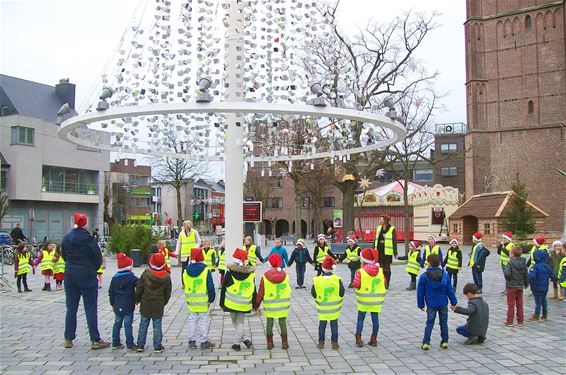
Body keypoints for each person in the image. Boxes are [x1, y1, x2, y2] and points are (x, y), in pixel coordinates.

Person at [61, 213, 110, 349]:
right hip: (87, 274)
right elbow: (97, 257)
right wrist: (92, 269)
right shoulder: (88, 239)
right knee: (90, 308)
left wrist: (71, 265)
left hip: (70, 274)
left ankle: (68, 338)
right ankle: (95, 339)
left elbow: (64, 255)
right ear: (85, 223)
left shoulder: (67, 238)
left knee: (71, 308)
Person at [417, 253, 458, 351]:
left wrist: (421, 304)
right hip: (443, 303)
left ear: (428, 263)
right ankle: (444, 341)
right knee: (444, 323)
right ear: (439, 263)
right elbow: (450, 290)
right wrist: (453, 302)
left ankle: (426, 342)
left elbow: (420, 292)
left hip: (431, 304)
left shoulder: (424, 277)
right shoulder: (445, 275)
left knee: (429, 323)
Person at [219, 248, 257, 351]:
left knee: (235, 322)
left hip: (231, 302)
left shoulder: (230, 272)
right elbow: (254, 289)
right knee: (239, 322)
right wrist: (255, 304)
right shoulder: (250, 273)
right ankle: (245, 339)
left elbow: (223, 289)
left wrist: (221, 303)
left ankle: (236, 343)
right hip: (244, 302)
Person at [135, 253, 172, 353]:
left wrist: (137, 299)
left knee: (143, 324)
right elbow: (168, 292)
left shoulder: (146, 274)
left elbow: (139, 288)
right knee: (157, 326)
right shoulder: (166, 276)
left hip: (146, 302)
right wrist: (164, 302)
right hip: (158, 303)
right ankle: (157, 346)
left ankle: (140, 345)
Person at [255, 253, 291, 350]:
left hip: (270, 305)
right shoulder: (286, 276)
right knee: (282, 323)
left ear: (270, 263)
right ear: (280, 262)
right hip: (283, 305)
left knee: (269, 323)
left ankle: (270, 343)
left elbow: (261, 293)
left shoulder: (265, 277)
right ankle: (284, 342)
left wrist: (256, 305)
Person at [183, 248, 216, 349]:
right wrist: (211, 298)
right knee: (203, 320)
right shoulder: (206, 270)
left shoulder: (185, 271)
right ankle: (204, 341)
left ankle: (191, 341)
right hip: (202, 300)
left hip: (191, 299)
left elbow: (185, 284)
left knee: (192, 319)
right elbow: (210, 285)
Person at [352, 248, 385, 347]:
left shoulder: (360, 271)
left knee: (360, 319)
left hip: (363, 300)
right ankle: (374, 339)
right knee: (375, 319)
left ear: (364, 260)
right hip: (376, 300)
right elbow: (384, 282)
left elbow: (356, 284)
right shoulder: (380, 271)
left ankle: (358, 338)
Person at [312, 256, 345, 350]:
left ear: (322, 267)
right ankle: (334, 343)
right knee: (334, 324)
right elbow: (342, 292)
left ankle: (321, 342)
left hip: (322, 307)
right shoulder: (337, 279)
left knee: (322, 324)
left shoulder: (317, 279)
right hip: (334, 308)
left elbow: (313, 293)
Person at [108, 253, 139, 351]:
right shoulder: (132, 278)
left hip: (117, 304)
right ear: (129, 267)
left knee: (117, 323)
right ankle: (130, 344)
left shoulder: (114, 278)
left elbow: (111, 292)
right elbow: (140, 286)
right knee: (128, 324)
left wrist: (112, 303)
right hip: (128, 304)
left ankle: (115, 342)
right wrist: (137, 299)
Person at [528, 249, 558, 321]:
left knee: (538, 302)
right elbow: (553, 275)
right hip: (545, 287)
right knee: (544, 300)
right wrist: (555, 279)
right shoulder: (547, 266)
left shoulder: (535, 267)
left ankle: (536, 315)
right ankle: (544, 315)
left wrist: (526, 280)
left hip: (536, 287)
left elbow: (531, 276)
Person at [503, 246, 529, 327]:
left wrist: (508, 279)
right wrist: (526, 284)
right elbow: (526, 275)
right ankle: (520, 321)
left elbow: (507, 274)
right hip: (520, 286)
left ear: (512, 254)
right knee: (520, 304)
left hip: (511, 286)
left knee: (511, 304)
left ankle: (510, 321)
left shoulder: (510, 263)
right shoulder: (523, 263)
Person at [374, 215, 397, 289]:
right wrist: (373, 249)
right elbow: (376, 239)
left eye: (381, 219)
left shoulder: (391, 229)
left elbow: (394, 241)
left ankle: (387, 282)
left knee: (387, 268)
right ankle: (381, 282)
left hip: (387, 251)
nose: (380, 221)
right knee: (380, 268)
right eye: (380, 219)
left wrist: (395, 252)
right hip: (379, 251)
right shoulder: (378, 228)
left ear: (386, 220)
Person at [176, 220, 201, 285]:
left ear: (188, 225)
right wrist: (177, 253)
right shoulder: (181, 233)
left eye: (185, 225)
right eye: (183, 225)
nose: (183, 226)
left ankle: (192, 282)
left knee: (193, 268)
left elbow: (199, 241)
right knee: (184, 269)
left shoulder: (194, 232)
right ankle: (184, 283)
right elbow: (179, 243)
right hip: (184, 254)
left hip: (193, 254)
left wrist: (195, 248)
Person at [558, 244, 566, 317]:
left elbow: (564, 272)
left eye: (563, 249)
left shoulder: (565, 260)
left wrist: (560, 280)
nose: (562, 250)